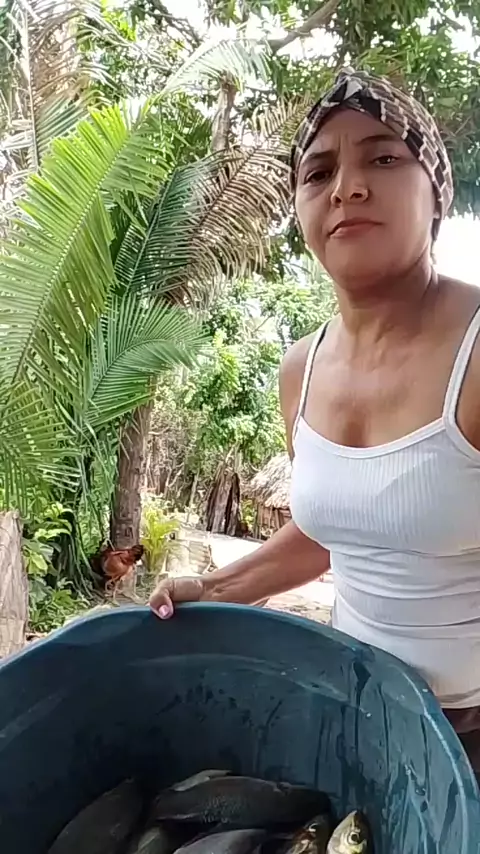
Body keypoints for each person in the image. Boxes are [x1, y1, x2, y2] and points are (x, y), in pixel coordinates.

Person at [150, 69, 480, 774]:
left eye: (383, 158)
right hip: (355, 709)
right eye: (319, 171)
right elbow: (330, 534)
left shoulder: (475, 352)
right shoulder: (301, 368)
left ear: (436, 193)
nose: (347, 188)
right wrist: (214, 591)